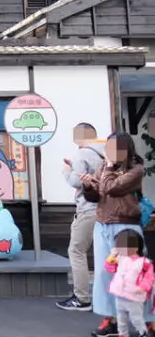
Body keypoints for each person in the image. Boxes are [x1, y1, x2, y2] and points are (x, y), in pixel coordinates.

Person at [81, 131, 153, 337]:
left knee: (135, 275)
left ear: (125, 149)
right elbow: (97, 195)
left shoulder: (136, 170)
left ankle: (150, 323)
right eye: (108, 148)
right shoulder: (104, 167)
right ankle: (110, 320)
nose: (110, 152)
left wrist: (108, 170)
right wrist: (88, 186)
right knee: (105, 275)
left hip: (125, 226)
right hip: (103, 225)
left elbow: (111, 188)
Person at [57, 122, 106, 311]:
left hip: (88, 209)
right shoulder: (105, 153)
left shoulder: (82, 153)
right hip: (106, 210)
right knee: (104, 255)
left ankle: (81, 298)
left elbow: (77, 182)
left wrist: (67, 172)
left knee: (76, 251)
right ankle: (106, 298)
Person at [105, 229, 155, 337]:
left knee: (137, 319)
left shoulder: (144, 262)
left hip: (134, 297)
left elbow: (149, 278)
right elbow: (110, 268)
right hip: (120, 294)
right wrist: (111, 257)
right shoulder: (120, 258)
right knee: (121, 319)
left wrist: (143, 287)